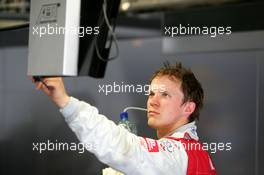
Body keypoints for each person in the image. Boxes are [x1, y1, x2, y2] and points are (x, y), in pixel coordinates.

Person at [33, 62, 216, 175]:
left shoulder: (177, 153)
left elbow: (122, 147)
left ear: (188, 107)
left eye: (165, 95)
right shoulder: (192, 151)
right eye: (151, 94)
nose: (153, 101)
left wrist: (65, 101)